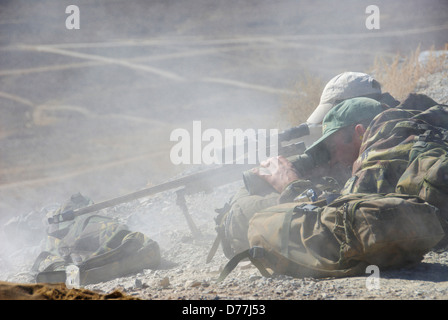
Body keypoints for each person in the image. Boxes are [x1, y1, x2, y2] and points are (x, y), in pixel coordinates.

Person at [218, 97, 448, 280]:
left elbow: (348, 222)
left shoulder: (384, 139)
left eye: (331, 146)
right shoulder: (424, 126)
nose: (330, 159)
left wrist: (293, 185)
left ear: (359, 132)